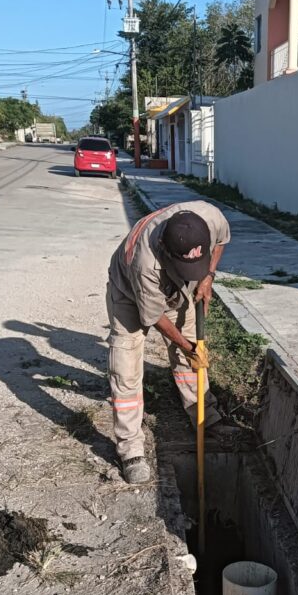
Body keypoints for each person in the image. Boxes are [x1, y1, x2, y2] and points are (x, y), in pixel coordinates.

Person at [106, 200, 230, 484]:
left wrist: (207, 276)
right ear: (165, 249)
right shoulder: (144, 262)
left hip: (175, 284)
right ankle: (130, 449)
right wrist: (189, 347)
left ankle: (204, 417)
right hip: (128, 290)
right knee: (126, 365)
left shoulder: (211, 216)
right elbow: (154, 317)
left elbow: (222, 241)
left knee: (190, 358)